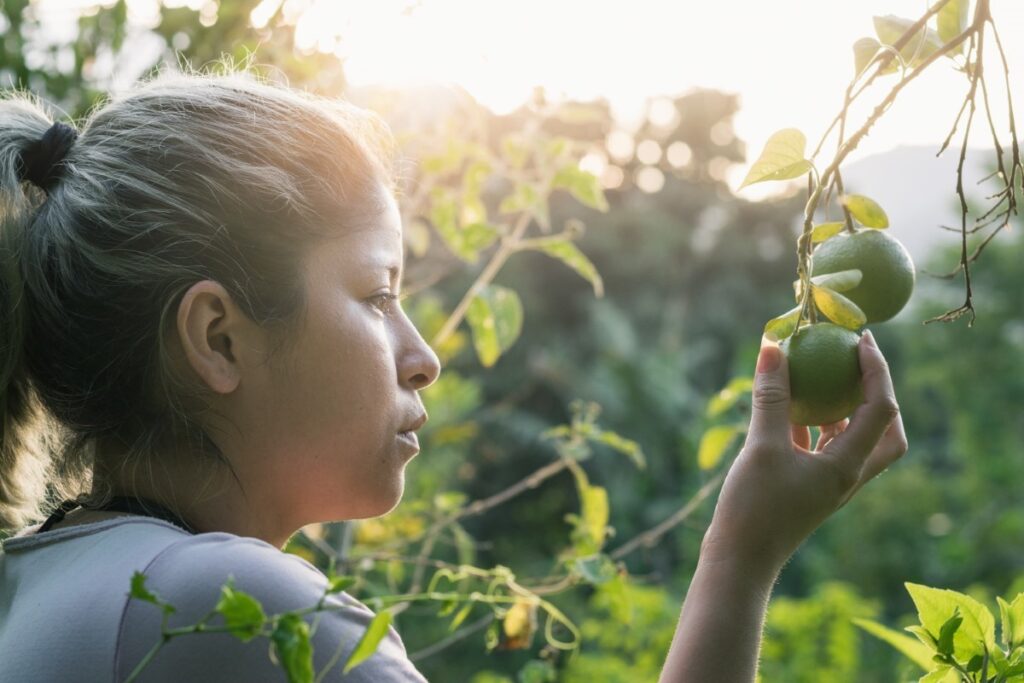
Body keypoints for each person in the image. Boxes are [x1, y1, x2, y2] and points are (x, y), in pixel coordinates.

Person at [0, 70, 907, 682]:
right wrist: (743, 556)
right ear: (217, 339)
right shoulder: (239, 611)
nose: (422, 353)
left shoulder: (39, 586)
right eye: (377, 292)